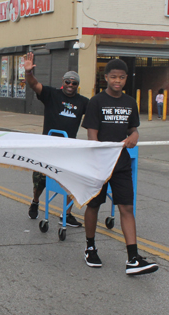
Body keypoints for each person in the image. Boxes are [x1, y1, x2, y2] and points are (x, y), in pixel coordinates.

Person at [81, 59, 158, 275]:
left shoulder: (130, 102)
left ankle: (133, 259)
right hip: (99, 163)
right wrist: (97, 159)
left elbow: (133, 128)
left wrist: (134, 134)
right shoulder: (96, 102)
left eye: (121, 77)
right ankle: (90, 247)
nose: (117, 80)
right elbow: (92, 136)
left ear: (126, 79)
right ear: (105, 78)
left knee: (126, 207)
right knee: (94, 205)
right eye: (113, 76)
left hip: (122, 163)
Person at [24, 52, 89, 227]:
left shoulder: (83, 102)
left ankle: (66, 214)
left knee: (71, 180)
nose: (70, 85)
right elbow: (34, 85)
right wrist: (29, 73)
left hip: (69, 148)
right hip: (48, 146)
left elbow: (96, 117)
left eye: (74, 83)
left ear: (77, 85)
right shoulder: (51, 94)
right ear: (63, 81)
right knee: (40, 180)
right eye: (67, 82)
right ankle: (36, 201)